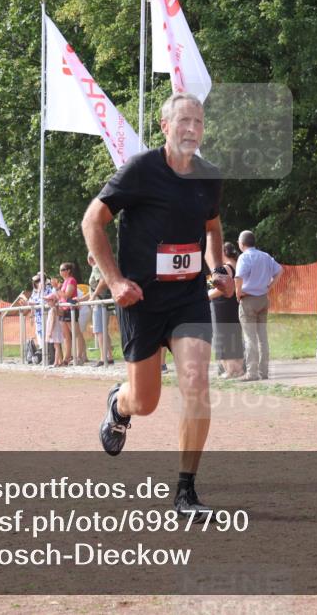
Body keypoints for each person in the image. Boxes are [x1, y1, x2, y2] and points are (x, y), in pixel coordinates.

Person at [82, 92, 229, 517]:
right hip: (142, 299)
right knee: (146, 402)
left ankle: (185, 492)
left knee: (196, 382)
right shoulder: (141, 170)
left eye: (198, 122)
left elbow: (213, 227)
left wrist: (218, 267)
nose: (192, 129)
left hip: (188, 299)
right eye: (183, 121)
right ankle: (118, 405)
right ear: (165, 126)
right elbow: (92, 220)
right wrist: (114, 282)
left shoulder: (209, 177)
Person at [234, 230, 282, 381]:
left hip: (248, 299)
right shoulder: (265, 256)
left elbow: (238, 277)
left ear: (241, 244)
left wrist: (238, 293)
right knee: (262, 337)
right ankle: (264, 371)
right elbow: (280, 270)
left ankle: (252, 373)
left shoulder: (244, 257)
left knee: (249, 337)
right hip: (263, 298)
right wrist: (270, 286)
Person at [209, 242, 244, 379]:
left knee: (222, 336)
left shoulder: (225, 268)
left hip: (222, 306)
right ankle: (238, 369)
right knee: (233, 336)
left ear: (223, 253)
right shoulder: (237, 265)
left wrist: (206, 296)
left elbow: (220, 288)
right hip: (233, 304)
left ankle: (230, 370)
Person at [87, 253, 114, 367]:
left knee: (99, 331)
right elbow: (93, 288)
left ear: (90, 259)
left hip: (99, 303)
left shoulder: (97, 267)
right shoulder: (101, 267)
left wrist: (93, 296)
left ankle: (103, 357)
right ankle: (109, 356)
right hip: (101, 301)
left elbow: (102, 282)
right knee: (103, 330)